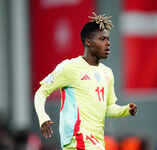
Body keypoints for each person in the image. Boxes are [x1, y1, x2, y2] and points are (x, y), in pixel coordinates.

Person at [34, 12, 137, 150]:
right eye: (102, 39)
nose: (108, 44)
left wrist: (125, 110)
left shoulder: (107, 73)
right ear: (88, 41)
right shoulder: (69, 67)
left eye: (108, 39)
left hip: (97, 144)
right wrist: (43, 116)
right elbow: (41, 92)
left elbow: (108, 108)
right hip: (77, 142)